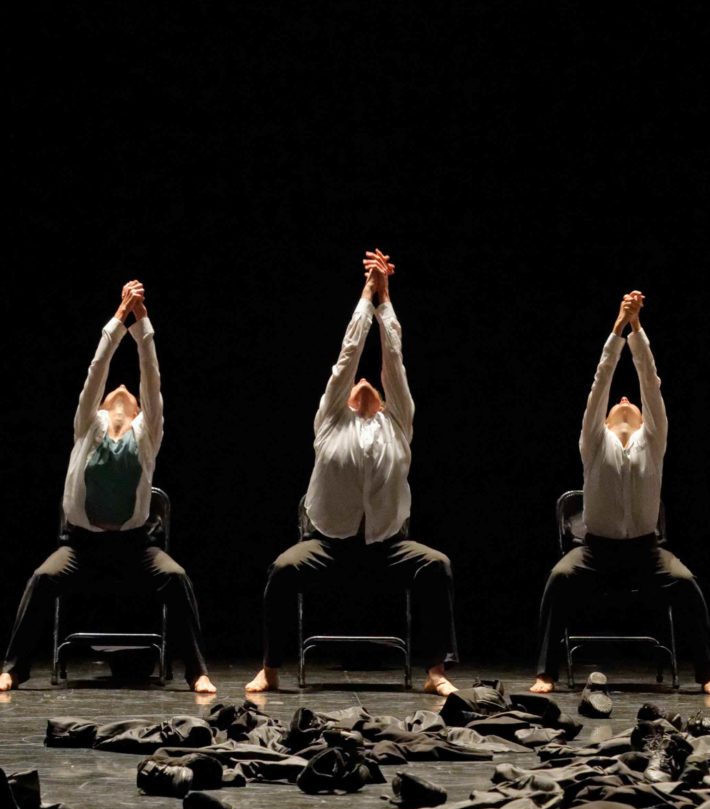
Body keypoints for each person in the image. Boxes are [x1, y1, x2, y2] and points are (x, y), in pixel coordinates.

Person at [246, 249, 459, 696]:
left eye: (373, 383)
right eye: (356, 385)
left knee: (437, 565)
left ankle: (436, 671)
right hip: (328, 543)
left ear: (382, 398)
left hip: (388, 546)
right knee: (283, 569)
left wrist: (386, 301)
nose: (365, 381)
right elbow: (347, 358)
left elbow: (393, 362)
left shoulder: (398, 423)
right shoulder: (330, 421)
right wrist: (367, 294)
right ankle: (270, 667)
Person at [0, 282, 215, 693]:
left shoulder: (147, 433)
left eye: (130, 393)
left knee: (177, 576)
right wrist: (119, 318)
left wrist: (143, 322)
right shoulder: (88, 428)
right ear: (99, 408)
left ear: (136, 412)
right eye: (113, 393)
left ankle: (197, 672)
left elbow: (150, 378)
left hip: (135, 548)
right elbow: (96, 370)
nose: (122, 390)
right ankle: (14, 668)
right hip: (81, 547)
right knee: (43, 578)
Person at [530, 291, 710, 696]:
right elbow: (601, 382)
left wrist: (637, 330)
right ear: (601, 420)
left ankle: (707, 673)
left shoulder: (653, 441)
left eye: (631, 402)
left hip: (646, 552)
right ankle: (546, 673)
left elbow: (649, 384)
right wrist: (617, 330)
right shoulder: (593, 442)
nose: (624, 399)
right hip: (595, 552)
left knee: (686, 583)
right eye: (618, 402)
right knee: (558, 579)